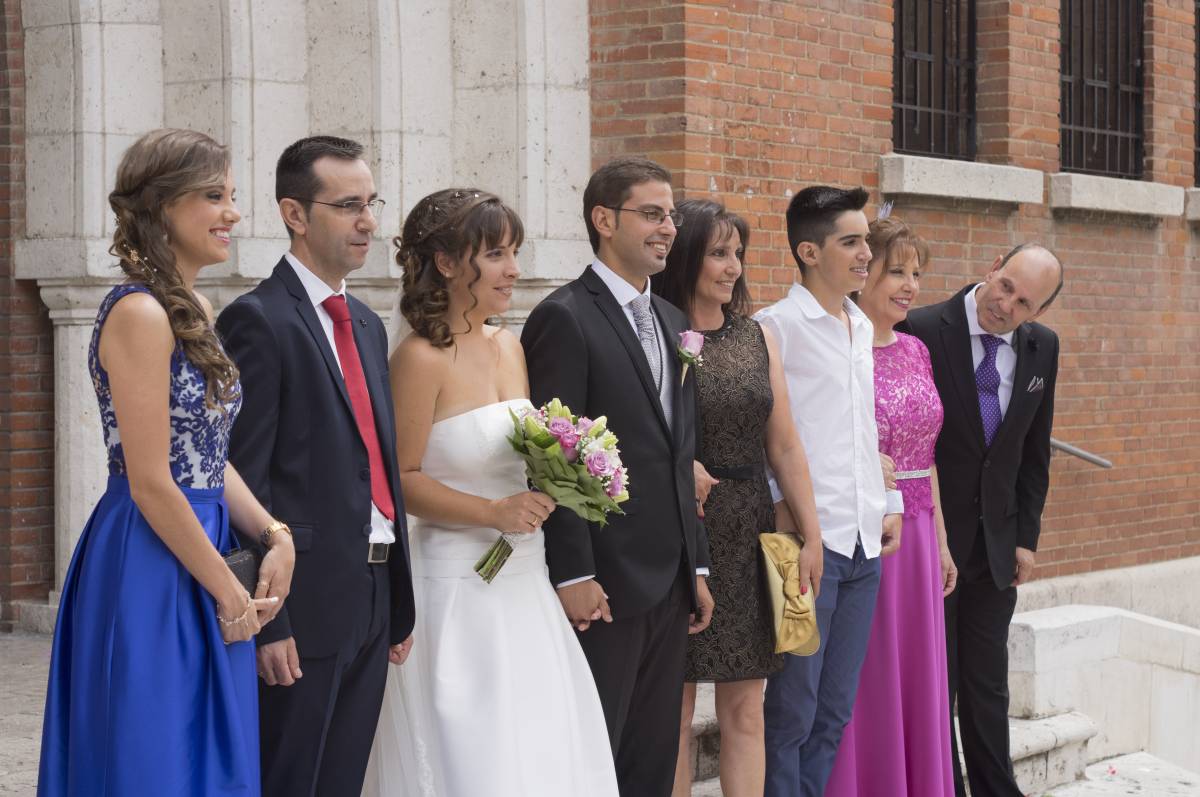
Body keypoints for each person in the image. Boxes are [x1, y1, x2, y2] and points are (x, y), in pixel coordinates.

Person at [38, 128, 293, 797]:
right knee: (154, 757)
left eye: (233, 195)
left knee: (210, 755)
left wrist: (273, 532)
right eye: (214, 195)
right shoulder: (139, 314)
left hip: (204, 546)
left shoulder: (196, 308)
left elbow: (208, 455)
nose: (234, 213)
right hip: (151, 558)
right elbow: (153, 479)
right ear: (160, 209)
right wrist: (227, 586)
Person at [363, 188, 618, 796]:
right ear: (447, 264)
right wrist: (493, 511)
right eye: (497, 254)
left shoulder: (509, 344)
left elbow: (521, 449)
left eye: (515, 253)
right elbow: (399, 480)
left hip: (523, 578)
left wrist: (565, 475)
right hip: (455, 590)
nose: (514, 270)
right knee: (474, 755)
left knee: (539, 743)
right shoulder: (419, 360)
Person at [216, 136, 416, 797]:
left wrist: (398, 603)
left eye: (372, 203)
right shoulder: (258, 320)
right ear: (295, 214)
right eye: (349, 205)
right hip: (302, 601)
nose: (369, 222)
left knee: (342, 780)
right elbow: (244, 475)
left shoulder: (365, 321)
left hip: (374, 594)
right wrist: (275, 619)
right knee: (291, 779)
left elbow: (373, 460)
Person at [521, 157, 714, 796]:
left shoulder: (673, 322)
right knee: (595, 752)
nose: (669, 228)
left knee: (653, 760)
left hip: (670, 578)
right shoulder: (565, 316)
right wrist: (574, 572)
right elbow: (555, 458)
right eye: (653, 214)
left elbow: (679, 452)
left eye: (672, 215)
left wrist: (699, 566)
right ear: (605, 220)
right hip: (603, 581)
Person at [651, 199, 823, 797]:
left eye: (738, 254)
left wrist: (811, 534)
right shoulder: (656, 334)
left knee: (747, 711)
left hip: (749, 530)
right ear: (688, 256)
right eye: (719, 253)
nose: (733, 266)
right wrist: (677, 467)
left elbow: (785, 446)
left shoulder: (758, 337)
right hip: (680, 528)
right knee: (670, 712)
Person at [754, 186, 904, 797]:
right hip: (807, 547)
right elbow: (763, 438)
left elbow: (861, 425)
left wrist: (887, 503)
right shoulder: (775, 327)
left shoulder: (859, 323)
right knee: (792, 709)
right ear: (809, 251)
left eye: (866, 240)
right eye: (852, 242)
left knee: (835, 711)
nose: (867, 253)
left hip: (865, 543)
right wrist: (789, 519)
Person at [901, 243, 1062, 797]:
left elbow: (1033, 450)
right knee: (935, 682)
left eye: (1024, 303)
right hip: (933, 540)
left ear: (1038, 313)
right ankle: (944, 787)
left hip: (998, 545)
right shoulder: (921, 327)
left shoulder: (1043, 348)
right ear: (993, 267)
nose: (1007, 305)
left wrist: (1026, 539)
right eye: (1007, 286)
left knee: (987, 684)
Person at [825, 216, 957, 797]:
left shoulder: (917, 350)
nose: (909, 285)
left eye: (916, 273)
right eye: (895, 270)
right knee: (868, 675)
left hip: (921, 534)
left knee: (918, 675)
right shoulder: (839, 348)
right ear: (863, 272)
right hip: (867, 531)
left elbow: (927, 457)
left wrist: (944, 543)